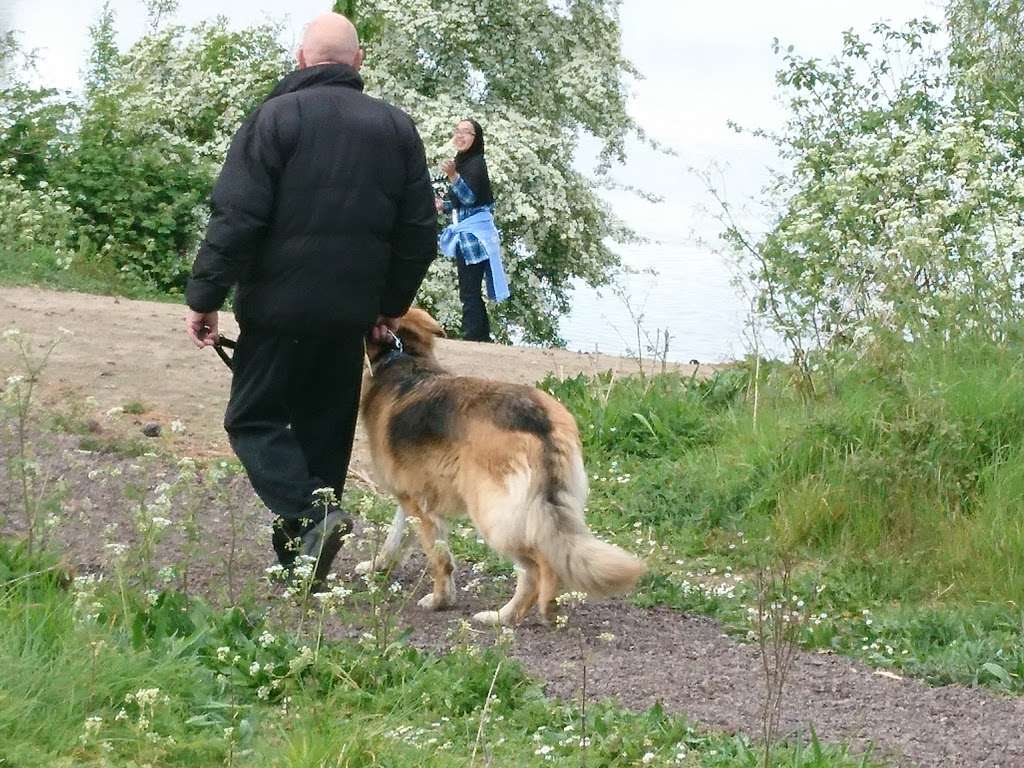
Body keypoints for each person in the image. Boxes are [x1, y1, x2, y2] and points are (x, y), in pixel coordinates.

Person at [184, 12, 436, 587]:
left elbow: (236, 217)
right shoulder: (396, 128)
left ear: (301, 59)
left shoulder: (274, 118)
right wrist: (390, 305)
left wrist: (205, 296)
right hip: (349, 315)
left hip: (277, 309)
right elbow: (419, 231)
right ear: (358, 61)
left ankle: (311, 517)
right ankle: (304, 567)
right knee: (324, 432)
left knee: (252, 419)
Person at [437, 119, 510, 343]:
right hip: (470, 233)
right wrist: (442, 205)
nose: (460, 136)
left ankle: (474, 336)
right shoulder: (465, 162)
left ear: (475, 138)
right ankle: (480, 336)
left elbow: (469, 197)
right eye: (457, 131)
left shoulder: (476, 163)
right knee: (470, 290)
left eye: (466, 132)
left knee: (469, 290)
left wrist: (452, 176)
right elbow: (463, 202)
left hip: (474, 236)